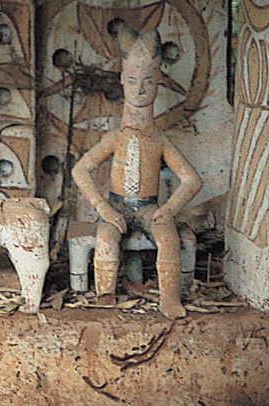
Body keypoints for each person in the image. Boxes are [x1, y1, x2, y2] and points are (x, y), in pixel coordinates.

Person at [71, 28, 202, 319]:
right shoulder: (115, 137)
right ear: (121, 80)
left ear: (158, 83)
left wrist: (168, 210)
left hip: (149, 208)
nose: (139, 89)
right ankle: (105, 297)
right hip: (115, 205)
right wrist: (102, 207)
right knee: (106, 237)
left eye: (148, 81)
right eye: (132, 81)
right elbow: (80, 169)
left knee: (168, 239)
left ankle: (169, 299)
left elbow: (192, 179)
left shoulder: (160, 140)